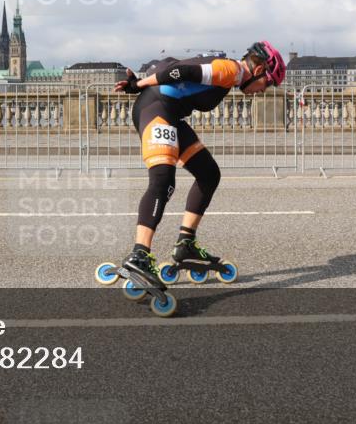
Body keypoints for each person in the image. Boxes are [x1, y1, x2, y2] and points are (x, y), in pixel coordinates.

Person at [112, 41, 287, 287]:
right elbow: (179, 73)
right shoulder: (230, 71)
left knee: (208, 174)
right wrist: (137, 85)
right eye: (268, 83)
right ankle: (139, 254)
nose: (264, 90)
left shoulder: (231, 75)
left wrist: (141, 81)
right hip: (157, 110)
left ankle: (186, 243)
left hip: (170, 113)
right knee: (162, 181)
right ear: (258, 71)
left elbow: (174, 64)